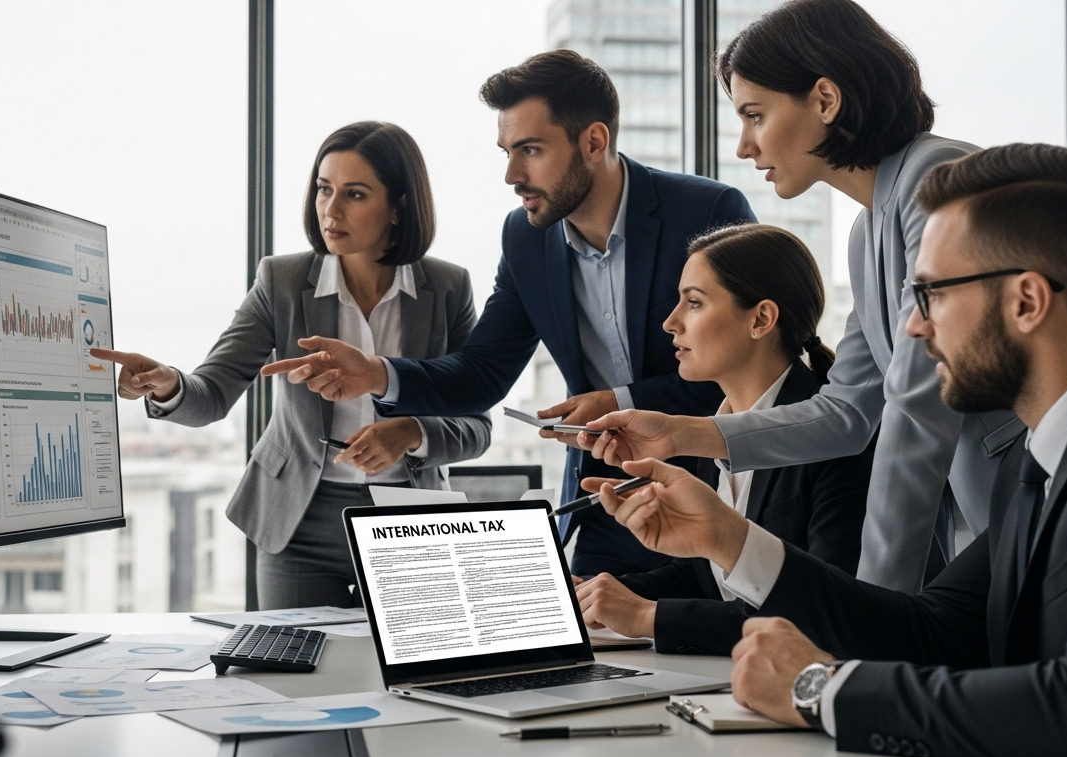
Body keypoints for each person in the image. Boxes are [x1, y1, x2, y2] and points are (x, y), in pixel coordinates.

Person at [585, 144, 1067, 757]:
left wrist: (820, 689)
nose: (914, 330)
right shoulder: (1041, 454)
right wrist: (730, 539)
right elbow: (932, 631)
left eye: (930, 295)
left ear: (1027, 301)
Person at [260, 50, 756, 577]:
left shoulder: (707, 213)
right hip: (602, 499)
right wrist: (377, 373)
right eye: (506, 152)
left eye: (531, 150)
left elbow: (747, 373)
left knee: (704, 653)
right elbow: (484, 370)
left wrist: (620, 402)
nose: (512, 175)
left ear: (594, 141)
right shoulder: (526, 237)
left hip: (709, 495)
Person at [583, 0, 1022, 593]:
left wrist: (870, 617)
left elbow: (917, 411)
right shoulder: (867, 233)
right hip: (980, 535)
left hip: (1028, 507)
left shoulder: (936, 181)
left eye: (755, 115)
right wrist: (681, 433)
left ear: (824, 100)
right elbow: (849, 410)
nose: (743, 146)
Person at [91, 122, 491, 610]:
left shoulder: (448, 288)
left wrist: (409, 432)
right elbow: (212, 394)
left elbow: (477, 424)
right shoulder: (281, 281)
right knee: (296, 672)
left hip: (409, 522)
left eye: (356, 194)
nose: (331, 209)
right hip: (298, 520)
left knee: (405, 676)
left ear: (399, 205)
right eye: (324, 189)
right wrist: (168, 384)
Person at [575, 223, 874, 655]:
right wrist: (594, 594)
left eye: (693, 303)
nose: (670, 322)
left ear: (760, 319)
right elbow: (705, 578)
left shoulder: (837, 442)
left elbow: (825, 610)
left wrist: (647, 617)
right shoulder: (708, 434)